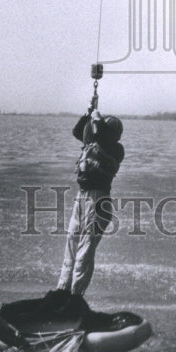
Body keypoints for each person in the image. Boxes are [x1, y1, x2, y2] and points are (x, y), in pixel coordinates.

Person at [56, 95, 124, 298]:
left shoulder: (115, 149)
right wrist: (88, 113)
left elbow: (100, 136)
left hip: (98, 202)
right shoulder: (96, 141)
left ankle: (76, 298)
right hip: (82, 198)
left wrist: (96, 118)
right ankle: (61, 292)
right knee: (71, 246)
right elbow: (78, 131)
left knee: (84, 253)